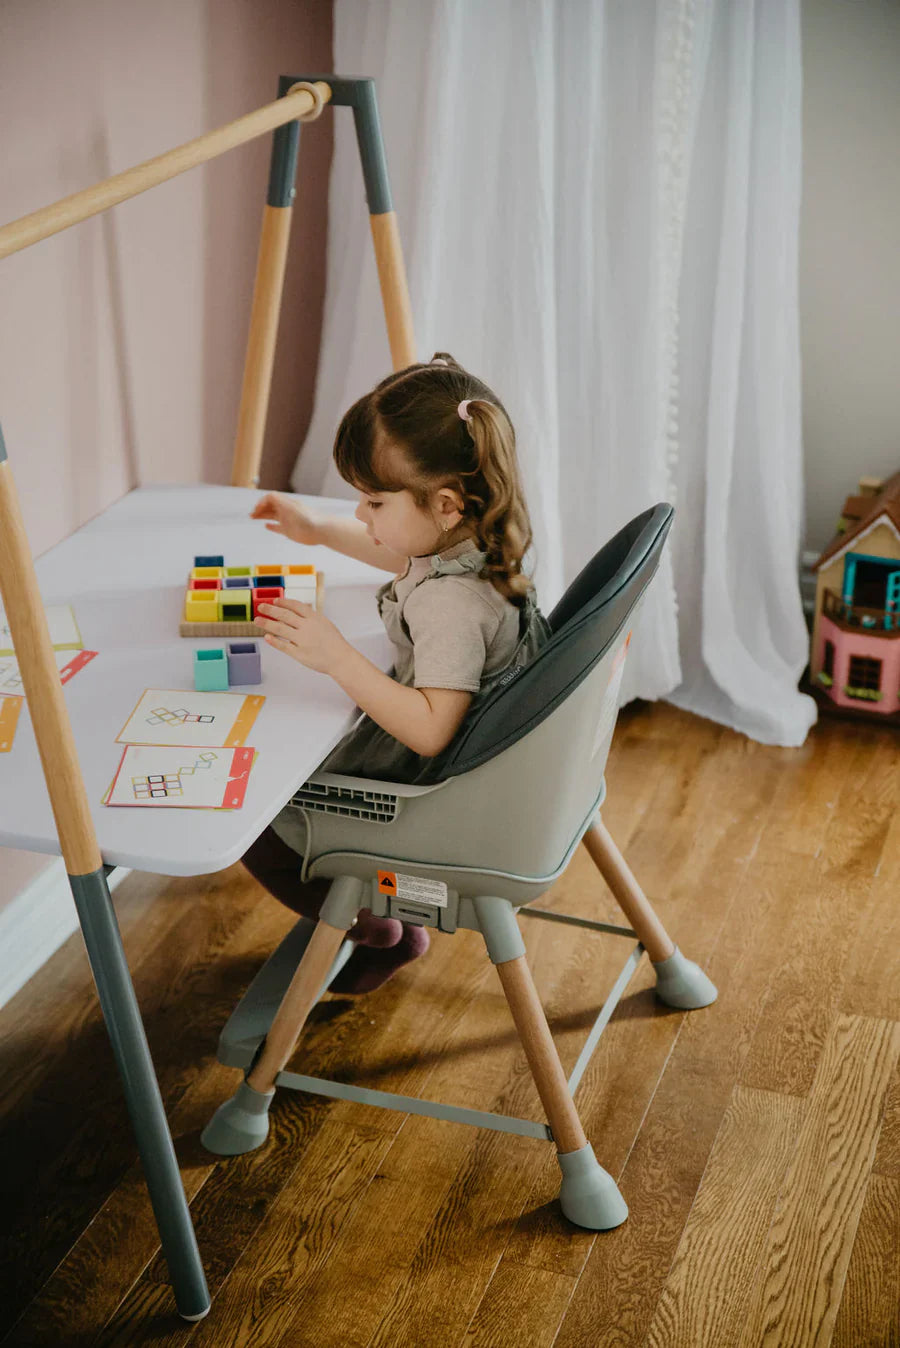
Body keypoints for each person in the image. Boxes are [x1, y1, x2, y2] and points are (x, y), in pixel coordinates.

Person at [241, 353, 549, 993]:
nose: (362, 516)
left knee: (250, 814)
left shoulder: (451, 606)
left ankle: (372, 930)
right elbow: (399, 552)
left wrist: (336, 657)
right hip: (455, 760)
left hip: (420, 783)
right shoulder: (477, 530)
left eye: (373, 501)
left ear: (443, 503)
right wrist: (316, 531)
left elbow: (433, 730)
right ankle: (385, 922)